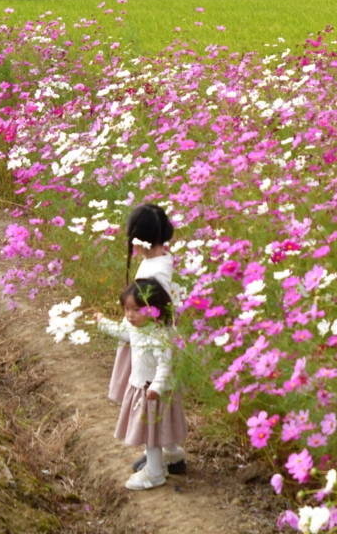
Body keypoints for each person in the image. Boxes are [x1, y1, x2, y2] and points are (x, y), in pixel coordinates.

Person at [108, 204, 187, 476]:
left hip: (148, 344)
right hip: (146, 337)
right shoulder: (160, 259)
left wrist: (126, 326)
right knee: (158, 401)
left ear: (141, 239)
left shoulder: (154, 272)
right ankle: (171, 454)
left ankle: (155, 456)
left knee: (149, 399)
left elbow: (154, 308)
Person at [95, 278, 188, 491]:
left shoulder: (160, 335)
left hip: (153, 391)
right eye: (127, 309)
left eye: (136, 309)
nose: (129, 315)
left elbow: (165, 366)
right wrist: (102, 322)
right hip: (144, 387)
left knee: (151, 434)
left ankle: (155, 472)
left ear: (154, 309)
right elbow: (124, 333)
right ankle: (172, 455)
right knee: (159, 430)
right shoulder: (137, 327)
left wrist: (156, 387)